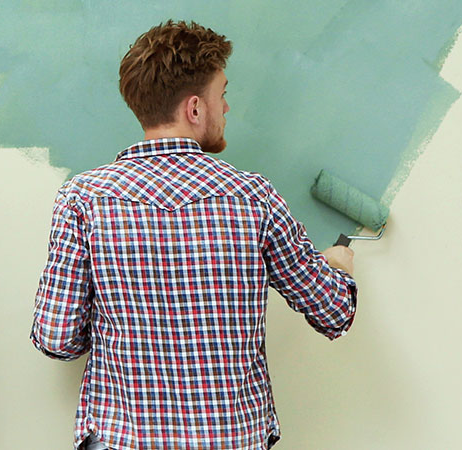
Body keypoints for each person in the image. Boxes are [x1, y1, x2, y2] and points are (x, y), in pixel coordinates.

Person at [30, 20, 360, 449]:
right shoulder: (253, 197)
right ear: (195, 109)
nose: (226, 108)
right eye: (221, 95)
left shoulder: (84, 199)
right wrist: (337, 265)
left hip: (122, 439)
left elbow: (57, 339)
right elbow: (334, 311)